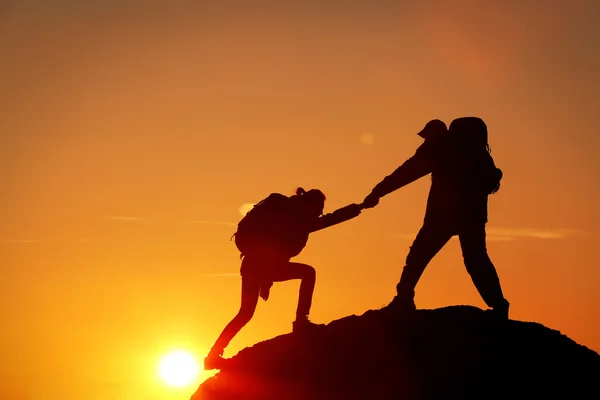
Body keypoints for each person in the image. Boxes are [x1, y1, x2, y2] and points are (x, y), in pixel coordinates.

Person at [362, 117, 510, 319]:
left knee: (418, 256)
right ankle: (499, 306)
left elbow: (406, 172)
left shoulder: (440, 148)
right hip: (471, 216)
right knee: (476, 261)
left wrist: (378, 192)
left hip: (442, 215)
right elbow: (491, 181)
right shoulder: (481, 155)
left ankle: (403, 299)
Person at [205, 187, 363, 370]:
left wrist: (358, 208)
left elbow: (329, 220)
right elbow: (270, 245)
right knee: (306, 274)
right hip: (258, 266)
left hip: (255, 267)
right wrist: (266, 280)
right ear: (309, 205)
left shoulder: (301, 219)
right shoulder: (287, 215)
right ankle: (301, 322)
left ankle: (213, 356)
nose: (319, 215)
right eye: (318, 211)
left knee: (245, 313)